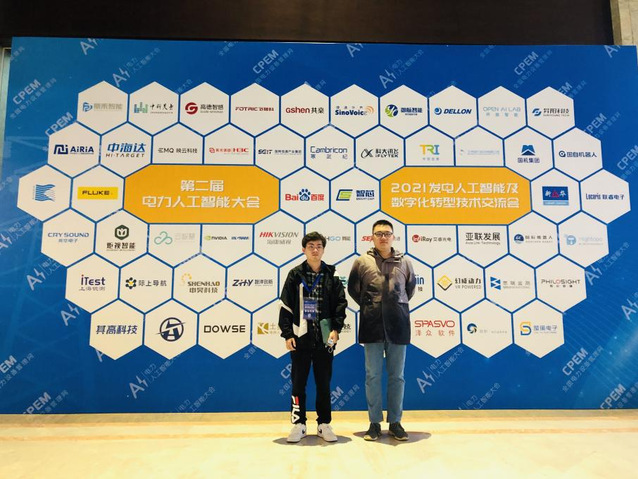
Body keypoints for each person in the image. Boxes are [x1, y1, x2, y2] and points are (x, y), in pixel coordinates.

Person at [348, 219, 416, 441]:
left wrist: (392, 306)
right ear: (372, 237)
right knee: (372, 376)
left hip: (398, 325)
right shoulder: (362, 262)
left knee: (397, 376)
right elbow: (354, 290)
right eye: (379, 234)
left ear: (393, 237)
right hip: (372, 325)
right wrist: (372, 307)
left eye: (387, 233)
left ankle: (395, 422)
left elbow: (409, 290)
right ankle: (374, 423)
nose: (383, 237)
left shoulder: (405, 262)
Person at [279, 231, 348, 443]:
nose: (315, 250)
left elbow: (340, 304)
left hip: (325, 338)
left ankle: (324, 424)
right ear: (304, 250)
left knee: (324, 384)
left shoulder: (331, 274)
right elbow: (285, 306)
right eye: (311, 246)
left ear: (323, 249)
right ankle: (298, 424)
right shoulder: (295, 274)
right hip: (300, 338)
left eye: (319, 246)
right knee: (298, 384)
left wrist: (336, 329)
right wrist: (288, 334)